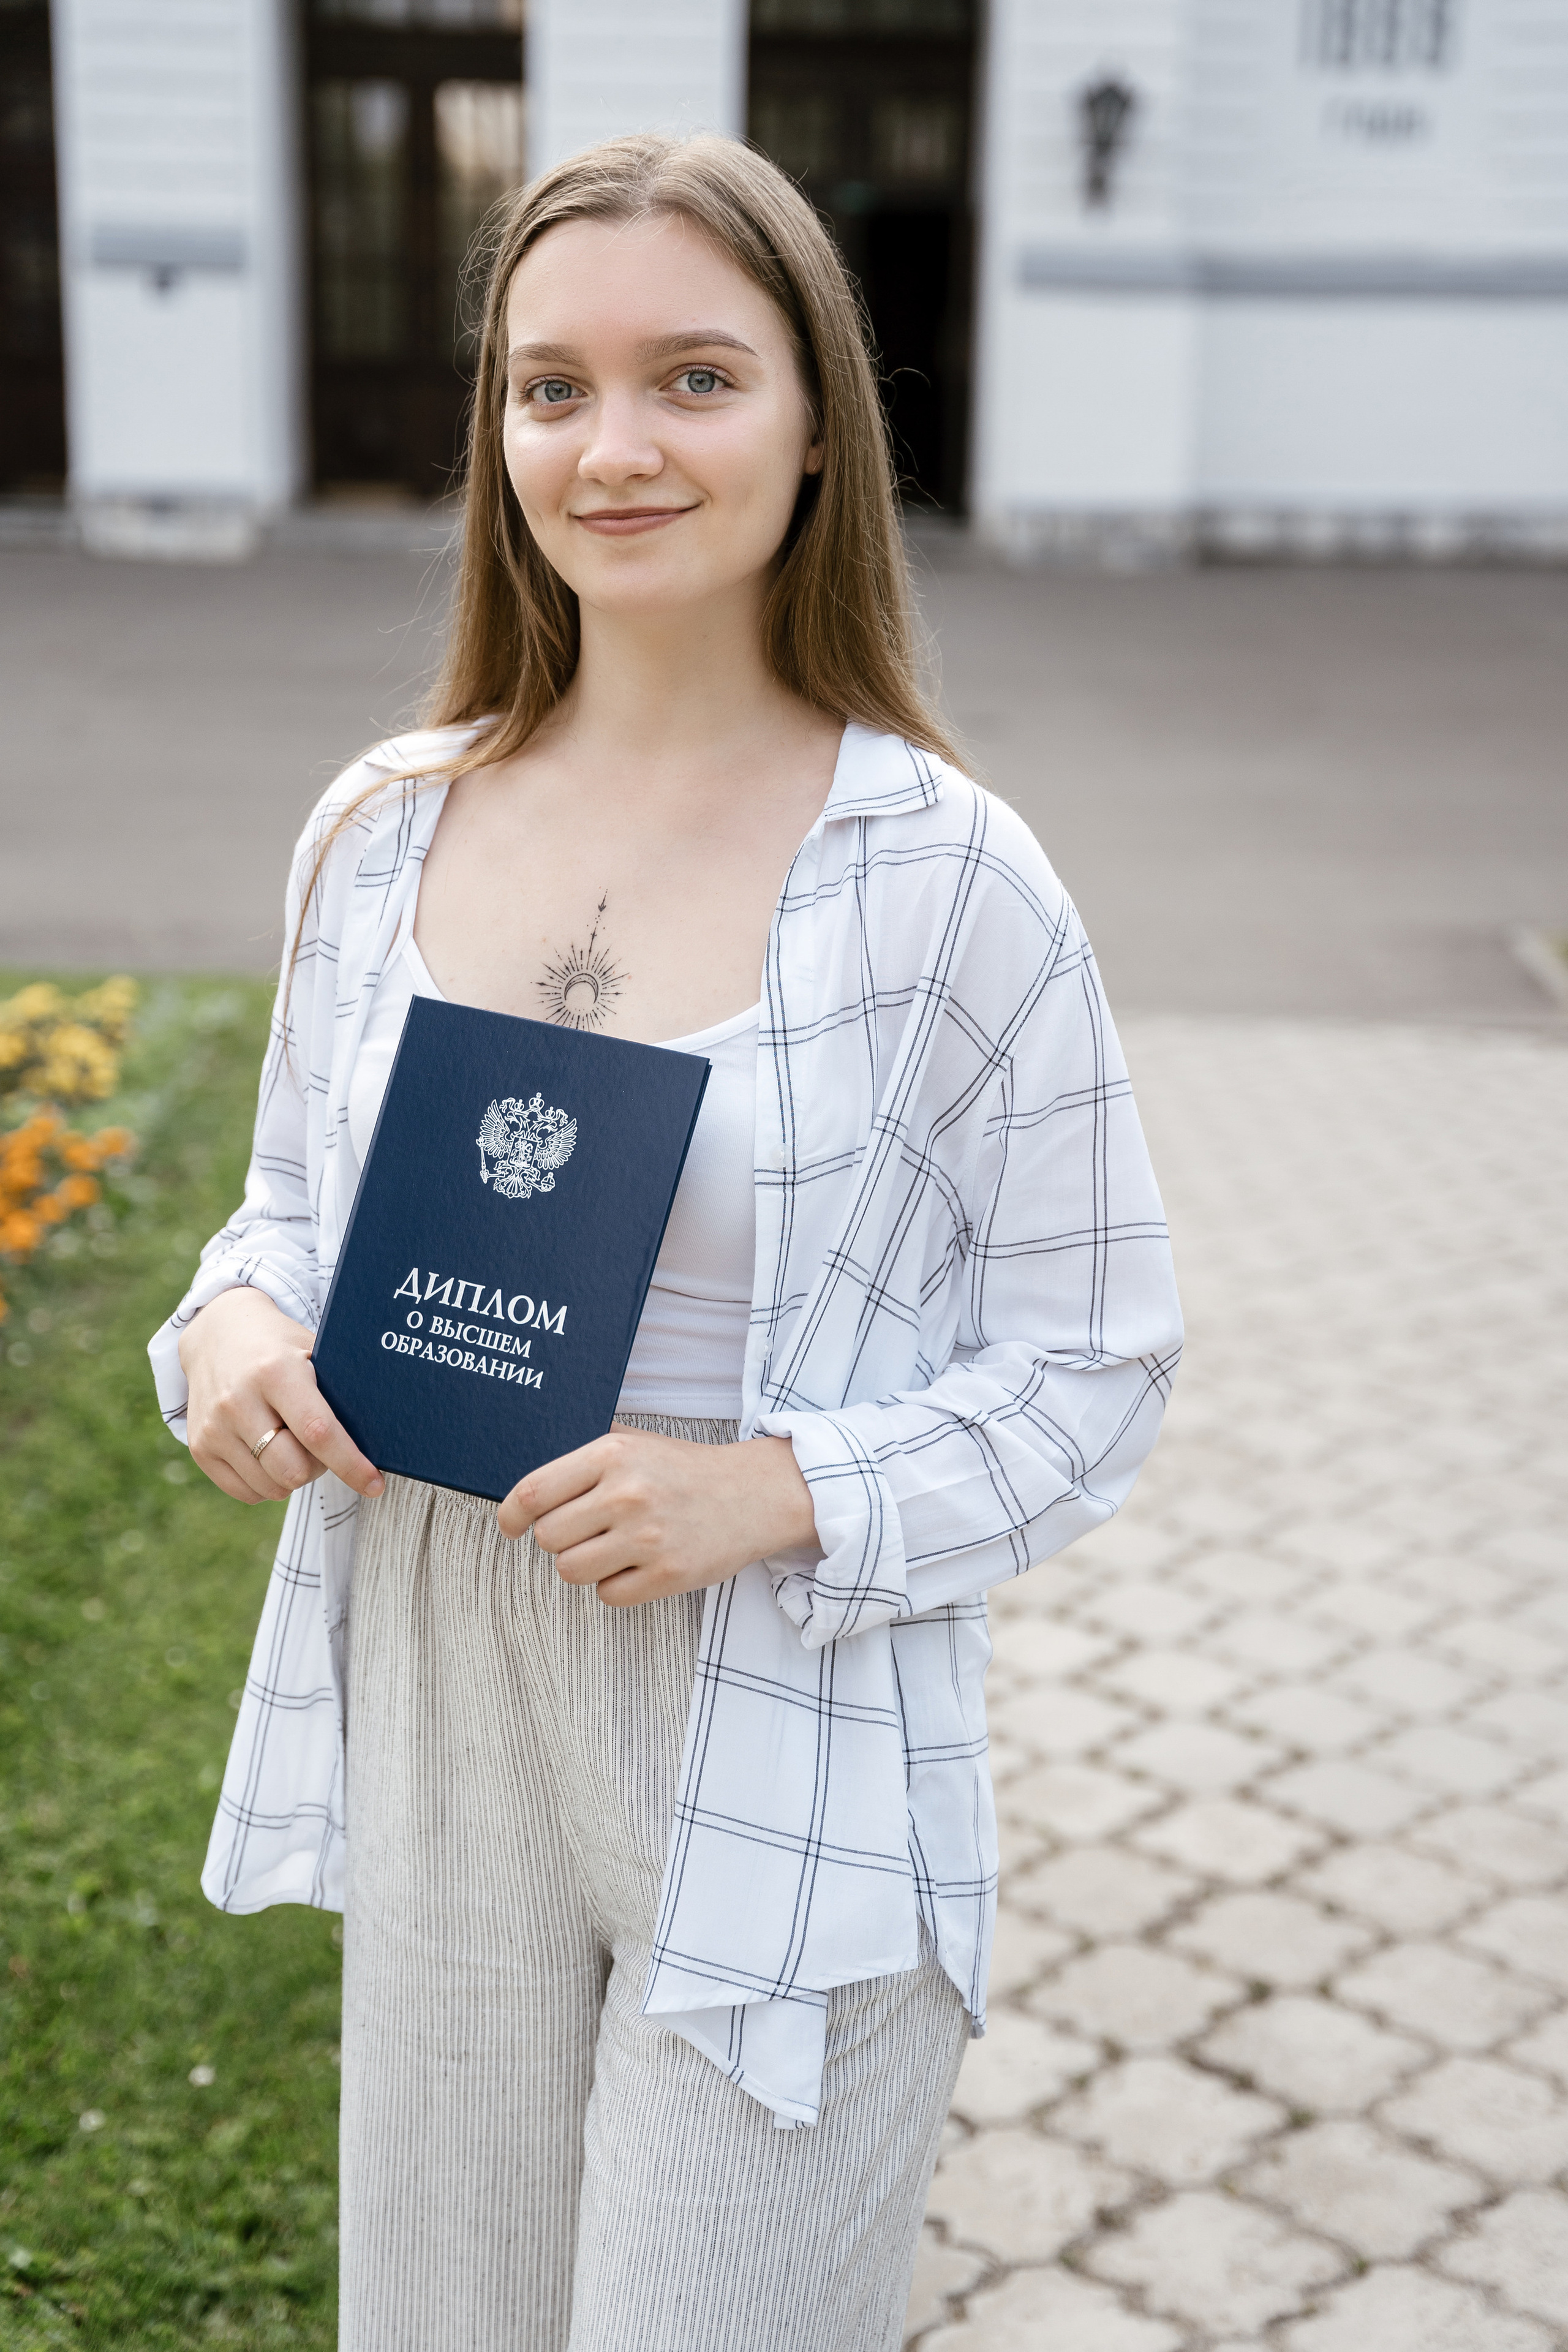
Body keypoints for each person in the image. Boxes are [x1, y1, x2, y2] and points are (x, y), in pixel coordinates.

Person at [149, 132, 1182, 2352]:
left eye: (695, 378)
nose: (611, 447)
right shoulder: (386, 824)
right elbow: (281, 1220)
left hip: (784, 1720)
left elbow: (1103, 1355)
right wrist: (231, 1329)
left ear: (820, 425)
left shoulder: (949, 880)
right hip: (443, 1669)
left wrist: (787, 1488)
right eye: (550, 389)